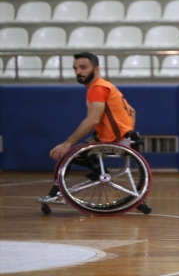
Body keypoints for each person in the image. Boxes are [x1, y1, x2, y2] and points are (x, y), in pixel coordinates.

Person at [39, 52, 136, 202]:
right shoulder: (106, 85)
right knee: (76, 155)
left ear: (96, 69)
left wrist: (67, 143)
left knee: (66, 156)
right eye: (75, 68)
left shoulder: (97, 88)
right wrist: (127, 132)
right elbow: (133, 111)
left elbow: (92, 120)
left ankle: (56, 193)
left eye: (83, 67)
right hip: (119, 136)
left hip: (112, 138)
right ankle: (95, 172)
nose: (78, 72)